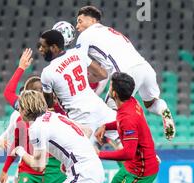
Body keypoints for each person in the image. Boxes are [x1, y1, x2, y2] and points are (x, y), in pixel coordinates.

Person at [75, 5, 176, 141]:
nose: (77, 26)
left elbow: (79, 61)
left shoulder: (85, 35)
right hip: (145, 68)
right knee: (151, 104)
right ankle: (163, 110)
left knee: (110, 118)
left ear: (93, 21)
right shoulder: (110, 31)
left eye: (80, 21)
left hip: (126, 74)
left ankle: (139, 147)